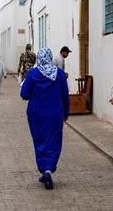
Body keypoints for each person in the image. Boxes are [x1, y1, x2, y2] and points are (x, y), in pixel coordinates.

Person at [21, 48, 69, 190]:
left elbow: (24, 94)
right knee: (54, 141)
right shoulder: (59, 74)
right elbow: (65, 96)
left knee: (40, 140)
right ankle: (49, 169)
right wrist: (66, 113)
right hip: (55, 114)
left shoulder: (32, 74)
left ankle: (44, 168)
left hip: (36, 114)